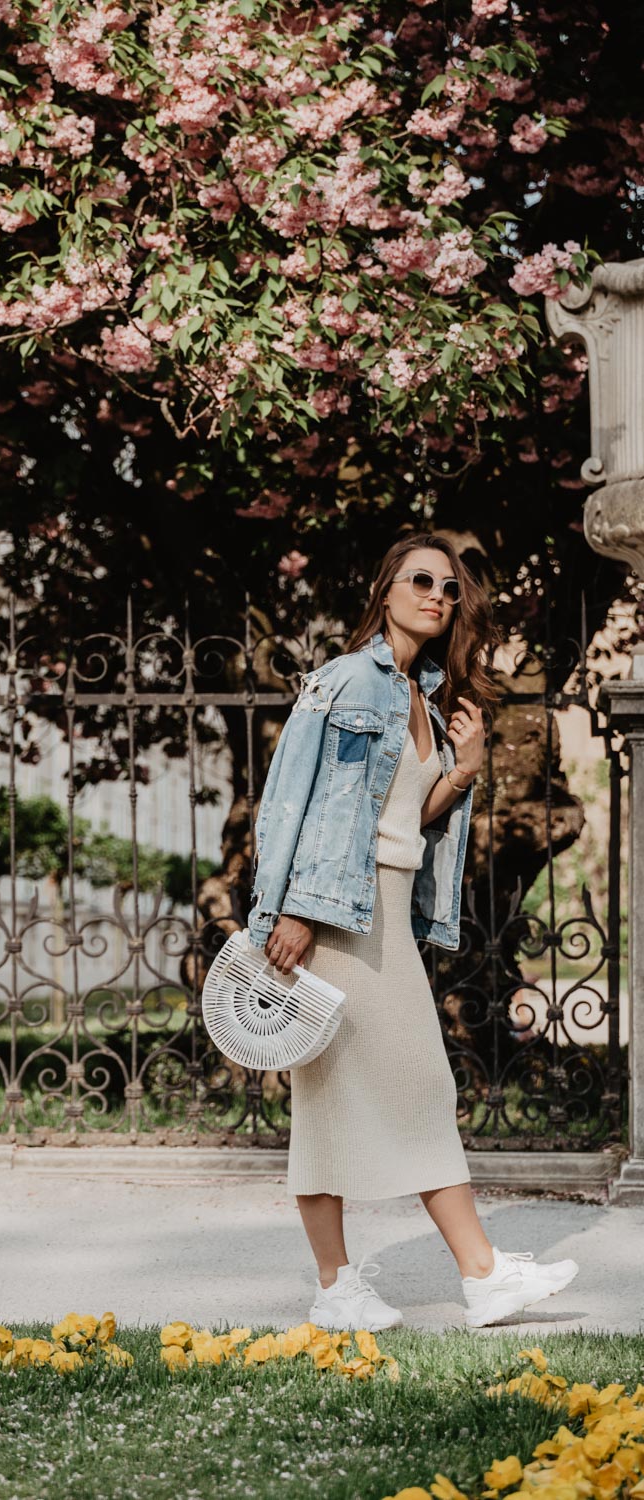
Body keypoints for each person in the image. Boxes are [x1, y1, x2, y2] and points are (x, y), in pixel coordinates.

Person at [246, 533, 579, 1331]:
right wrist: (286, 910)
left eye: (450, 586)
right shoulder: (342, 681)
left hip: (383, 911)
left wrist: (462, 767)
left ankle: (343, 1290)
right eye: (421, 580)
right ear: (386, 589)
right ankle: (476, 1272)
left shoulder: (421, 698)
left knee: (337, 1104)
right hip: (333, 917)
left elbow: (400, 822)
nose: (438, 594)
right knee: (415, 1086)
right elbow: (290, 799)